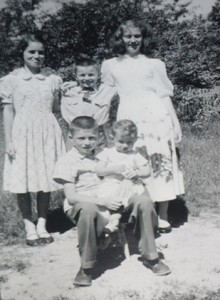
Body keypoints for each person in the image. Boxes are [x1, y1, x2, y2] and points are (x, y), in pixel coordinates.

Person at [53, 116, 171, 287]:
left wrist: (131, 177)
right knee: (88, 209)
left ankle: (151, 256)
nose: (87, 143)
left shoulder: (104, 154)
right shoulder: (67, 162)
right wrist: (103, 201)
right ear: (71, 138)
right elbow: (72, 197)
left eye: (91, 138)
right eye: (81, 138)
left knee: (143, 201)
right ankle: (87, 267)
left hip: (115, 200)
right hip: (85, 203)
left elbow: (132, 169)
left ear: (99, 137)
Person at [101, 19, 185, 233]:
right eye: (128, 36)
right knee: (132, 163)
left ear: (143, 38)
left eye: (137, 36)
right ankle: (138, 212)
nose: (133, 40)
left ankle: (163, 215)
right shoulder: (111, 65)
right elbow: (104, 95)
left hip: (156, 116)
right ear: (120, 38)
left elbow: (164, 96)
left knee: (160, 162)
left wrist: (175, 123)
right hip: (129, 117)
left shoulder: (154, 64)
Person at [0, 33, 66, 246]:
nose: (37, 56)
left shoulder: (52, 80)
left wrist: (69, 95)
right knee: (24, 180)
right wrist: (8, 141)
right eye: (32, 52)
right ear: (22, 53)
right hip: (23, 133)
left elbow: (56, 108)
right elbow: (8, 112)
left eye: (41, 52)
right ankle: (29, 226)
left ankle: (42, 225)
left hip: (47, 132)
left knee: (45, 180)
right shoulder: (11, 81)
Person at [95, 119, 151, 231]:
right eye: (121, 142)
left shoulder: (135, 155)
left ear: (135, 140)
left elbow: (147, 171)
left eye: (129, 142)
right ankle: (111, 221)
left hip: (131, 184)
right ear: (112, 138)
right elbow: (98, 170)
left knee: (133, 196)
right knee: (112, 196)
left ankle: (118, 220)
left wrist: (137, 173)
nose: (125, 146)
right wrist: (112, 169)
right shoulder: (107, 153)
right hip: (112, 183)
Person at [61, 58, 117, 150]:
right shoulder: (69, 92)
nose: (87, 78)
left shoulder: (106, 91)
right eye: (82, 75)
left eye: (91, 75)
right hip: (76, 136)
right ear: (75, 76)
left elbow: (124, 85)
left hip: (98, 136)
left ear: (99, 75)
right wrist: (76, 84)